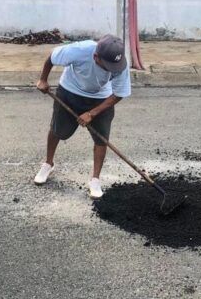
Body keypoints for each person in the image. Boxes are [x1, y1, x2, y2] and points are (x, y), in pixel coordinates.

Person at [34, 35, 131, 199]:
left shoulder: (119, 64)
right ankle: (48, 164)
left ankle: (95, 179)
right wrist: (43, 80)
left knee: (102, 139)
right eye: (107, 66)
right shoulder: (79, 50)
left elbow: (119, 93)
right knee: (58, 130)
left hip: (101, 98)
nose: (112, 69)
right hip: (70, 91)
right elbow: (51, 57)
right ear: (95, 57)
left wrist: (92, 113)